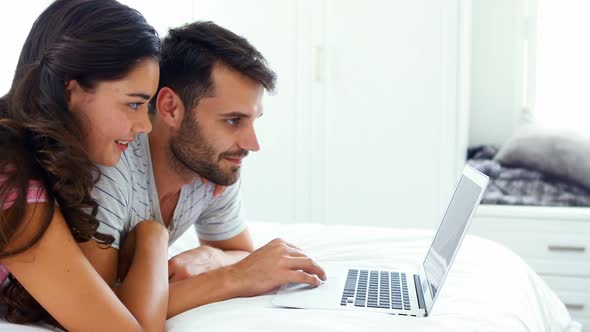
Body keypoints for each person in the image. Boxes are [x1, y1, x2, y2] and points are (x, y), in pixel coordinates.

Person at [82, 21, 327, 318]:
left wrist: (211, 256)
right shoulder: (112, 167)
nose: (251, 144)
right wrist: (234, 277)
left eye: (253, 120)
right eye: (233, 120)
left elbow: (239, 251)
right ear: (171, 108)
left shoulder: (213, 164)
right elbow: (98, 310)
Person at [0, 0, 170, 330]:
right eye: (133, 103)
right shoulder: (11, 180)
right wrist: (154, 237)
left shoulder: (41, 164)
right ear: (70, 92)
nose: (145, 126)